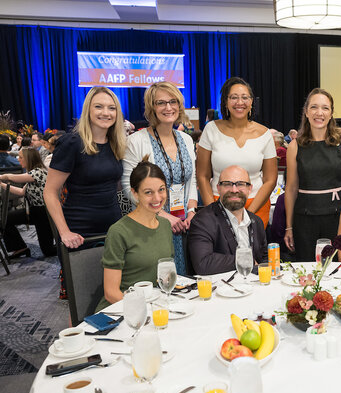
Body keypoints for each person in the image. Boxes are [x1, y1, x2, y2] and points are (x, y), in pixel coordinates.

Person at [122, 81, 197, 275]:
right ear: (151, 108)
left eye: (173, 101)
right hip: (151, 224)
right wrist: (165, 217)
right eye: (161, 103)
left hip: (182, 224)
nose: (168, 107)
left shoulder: (187, 140)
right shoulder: (136, 141)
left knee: (183, 281)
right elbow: (128, 188)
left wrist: (191, 211)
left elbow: (192, 180)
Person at [44, 86, 126, 249]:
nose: (106, 112)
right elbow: (50, 192)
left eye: (112, 108)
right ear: (87, 109)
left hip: (114, 228)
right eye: (98, 106)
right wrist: (64, 232)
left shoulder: (116, 145)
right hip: (80, 233)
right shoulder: (72, 143)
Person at [284, 88, 341, 260]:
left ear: (331, 113)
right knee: (308, 270)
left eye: (325, 108)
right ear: (306, 112)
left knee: (337, 269)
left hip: (338, 218)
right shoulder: (295, 146)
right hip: (304, 220)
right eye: (314, 107)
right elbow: (291, 188)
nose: (319, 113)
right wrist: (289, 226)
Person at [197, 77, 277, 229]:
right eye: (234, 97)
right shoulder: (211, 129)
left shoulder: (265, 134)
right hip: (218, 204)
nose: (240, 102)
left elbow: (270, 179)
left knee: (252, 252)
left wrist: (249, 214)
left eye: (244, 97)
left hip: (256, 206)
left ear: (252, 101)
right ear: (225, 102)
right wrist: (213, 212)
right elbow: (202, 175)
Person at [97, 156, 174, 311]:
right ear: (135, 193)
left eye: (161, 190)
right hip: (123, 309)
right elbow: (111, 294)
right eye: (148, 192)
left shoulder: (165, 225)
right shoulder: (119, 231)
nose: (157, 198)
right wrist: (143, 311)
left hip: (154, 305)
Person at [188, 165, 267, 275]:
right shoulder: (202, 221)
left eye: (240, 184)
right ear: (218, 188)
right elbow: (203, 264)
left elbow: (264, 259)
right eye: (227, 184)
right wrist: (245, 260)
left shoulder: (256, 221)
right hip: (220, 289)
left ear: (250, 189)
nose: (234, 190)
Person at [0, 148, 55, 257]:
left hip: (44, 214)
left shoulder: (38, 172)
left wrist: (3, 177)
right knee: (5, 219)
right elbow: (21, 192)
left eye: (21, 157)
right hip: (35, 211)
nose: (18, 159)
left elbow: (12, 177)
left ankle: (71, 248)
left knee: (48, 251)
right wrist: (1, 184)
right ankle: (20, 248)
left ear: (29, 159)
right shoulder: (33, 173)